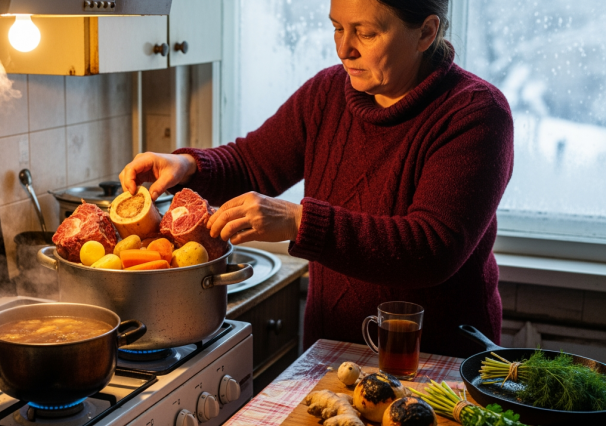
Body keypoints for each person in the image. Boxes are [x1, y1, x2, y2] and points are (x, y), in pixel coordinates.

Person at [120, 0, 514, 358]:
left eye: (366, 32)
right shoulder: (327, 92)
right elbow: (253, 163)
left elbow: (431, 249)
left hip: (437, 361)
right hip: (331, 351)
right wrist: (189, 165)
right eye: (338, 28)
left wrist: (299, 221)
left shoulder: (476, 113)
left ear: (426, 32)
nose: (344, 49)